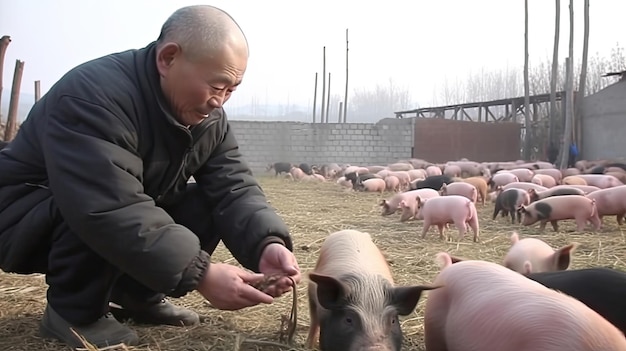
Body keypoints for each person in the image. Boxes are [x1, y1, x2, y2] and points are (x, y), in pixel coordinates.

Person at [0, 5, 301, 348]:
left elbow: (234, 187)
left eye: (231, 89)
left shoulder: (208, 119)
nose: (220, 101)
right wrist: (201, 273)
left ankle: (137, 293)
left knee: (205, 202)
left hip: (101, 208)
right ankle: (74, 312)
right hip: (24, 213)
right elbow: (108, 205)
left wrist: (267, 244)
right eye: (217, 85)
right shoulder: (93, 96)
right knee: (98, 201)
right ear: (168, 58)